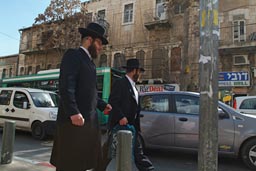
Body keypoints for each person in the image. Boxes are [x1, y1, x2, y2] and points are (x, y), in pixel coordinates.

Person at [50, 22, 112, 171]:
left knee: (83, 165)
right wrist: (73, 112)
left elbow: (88, 93)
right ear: (89, 40)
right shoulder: (73, 55)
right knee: (70, 166)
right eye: (99, 43)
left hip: (88, 125)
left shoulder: (90, 64)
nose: (101, 47)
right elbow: (66, 86)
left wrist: (102, 105)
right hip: (73, 124)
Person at [104, 58, 154, 171]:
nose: (140, 74)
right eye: (139, 72)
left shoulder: (134, 86)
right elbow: (113, 102)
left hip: (132, 127)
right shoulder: (121, 83)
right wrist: (121, 116)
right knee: (107, 154)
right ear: (134, 71)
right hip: (119, 125)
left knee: (138, 154)